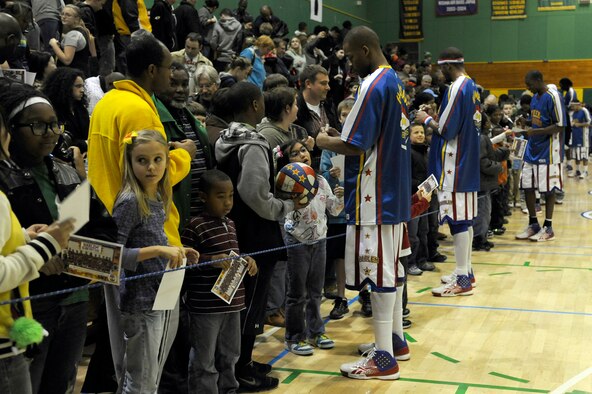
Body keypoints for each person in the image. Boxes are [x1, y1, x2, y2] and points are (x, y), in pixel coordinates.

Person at [87, 34, 193, 388]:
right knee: (147, 358)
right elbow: (152, 172)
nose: (170, 76)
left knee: (124, 356)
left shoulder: (107, 102)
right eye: (167, 69)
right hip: (144, 250)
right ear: (151, 70)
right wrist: (184, 155)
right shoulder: (140, 109)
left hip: (111, 233)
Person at [316, 26, 410, 380]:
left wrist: (322, 141)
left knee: (380, 274)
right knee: (393, 270)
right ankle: (395, 340)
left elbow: (355, 144)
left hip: (376, 195)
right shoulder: (396, 83)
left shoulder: (373, 84)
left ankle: (384, 359)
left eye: (352, 56)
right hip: (393, 192)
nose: (351, 64)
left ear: (366, 49)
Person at [215, 81, 301, 391]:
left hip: (236, 229)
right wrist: (283, 206)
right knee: (250, 304)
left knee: (242, 302)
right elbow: (253, 192)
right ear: (254, 106)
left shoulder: (226, 135)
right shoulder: (252, 143)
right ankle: (240, 370)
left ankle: (243, 361)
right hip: (254, 232)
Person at [112, 130, 198, 393]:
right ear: (130, 162)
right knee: (141, 381)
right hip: (139, 303)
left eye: (158, 160)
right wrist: (159, 250)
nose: (151, 167)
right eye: (142, 161)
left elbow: (151, 237)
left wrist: (177, 248)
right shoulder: (129, 201)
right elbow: (114, 256)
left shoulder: (157, 196)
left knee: (151, 376)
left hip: (158, 296)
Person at [0, 94, 74, 394]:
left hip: (62, 299)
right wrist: (45, 246)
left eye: (54, 125)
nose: (50, 134)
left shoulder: (64, 169)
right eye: (38, 126)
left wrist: (26, 236)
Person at [181, 169, 257, 393]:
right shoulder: (195, 225)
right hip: (205, 307)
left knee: (231, 354)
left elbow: (233, 256)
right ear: (203, 197)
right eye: (220, 196)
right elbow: (185, 261)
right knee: (204, 359)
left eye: (231, 196)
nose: (227, 202)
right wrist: (210, 260)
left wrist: (247, 261)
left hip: (233, 304)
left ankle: (229, 389)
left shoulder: (231, 224)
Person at [415, 47, 480, 297]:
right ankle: (466, 270)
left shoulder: (456, 88)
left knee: (458, 221)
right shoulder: (471, 86)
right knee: (464, 220)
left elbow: (447, 129)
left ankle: (463, 280)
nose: (439, 74)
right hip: (466, 162)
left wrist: (426, 119)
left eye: (441, 69)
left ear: (447, 66)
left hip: (455, 165)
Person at [275, 140, 343, 356]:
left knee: (315, 291)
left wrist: (340, 196)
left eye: (303, 150)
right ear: (287, 162)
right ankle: (294, 337)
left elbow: (332, 210)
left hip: (320, 241)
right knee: (297, 294)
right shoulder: (285, 185)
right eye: (294, 154)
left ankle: (316, 331)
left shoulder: (321, 181)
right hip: (296, 243)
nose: (302, 154)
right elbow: (280, 212)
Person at [155, 61, 215, 227]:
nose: (180, 90)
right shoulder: (155, 117)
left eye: (184, 84)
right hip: (176, 213)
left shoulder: (189, 116)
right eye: (173, 84)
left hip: (201, 213)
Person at [515, 70, 566, 242]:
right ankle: (533, 224)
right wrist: (527, 122)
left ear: (538, 80)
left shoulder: (553, 96)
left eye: (529, 84)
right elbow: (539, 120)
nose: (527, 87)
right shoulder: (535, 98)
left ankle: (549, 227)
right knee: (527, 186)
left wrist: (535, 131)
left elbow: (560, 126)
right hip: (532, 149)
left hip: (549, 151)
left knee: (548, 190)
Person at [320, 97, 354, 319]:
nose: (347, 118)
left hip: (359, 211)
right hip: (338, 215)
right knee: (340, 257)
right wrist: (330, 177)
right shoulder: (331, 146)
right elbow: (321, 176)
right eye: (343, 115)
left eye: (351, 114)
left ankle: (367, 293)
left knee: (363, 254)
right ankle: (341, 297)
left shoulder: (365, 142)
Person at [42, 67, 90, 153]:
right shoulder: (52, 110)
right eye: (78, 86)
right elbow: (61, 142)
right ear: (66, 87)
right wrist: (84, 144)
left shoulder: (80, 108)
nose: (82, 90)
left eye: (83, 86)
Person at [49, 5, 94, 76]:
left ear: (76, 19)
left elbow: (67, 60)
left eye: (68, 15)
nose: (63, 17)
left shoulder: (73, 34)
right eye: (62, 14)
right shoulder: (84, 31)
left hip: (71, 76)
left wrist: (54, 44)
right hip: (80, 73)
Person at [210, 8, 242, 72]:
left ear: (223, 15)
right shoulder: (239, 25)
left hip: (220, 57)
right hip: (232, 58)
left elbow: (213, 42)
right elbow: (239, 42)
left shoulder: (217, 25)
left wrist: (216, 49)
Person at [569, 100, 590, 178]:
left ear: (578, 105)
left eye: (573, 106)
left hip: (583, 138)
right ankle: (577, 171)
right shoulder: (572, 113)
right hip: (575, 137)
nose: (572, 108)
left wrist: (580, 124)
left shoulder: (584, 111)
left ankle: (585, 171)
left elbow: (590, 123)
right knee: (576, 155)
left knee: (584, 155)